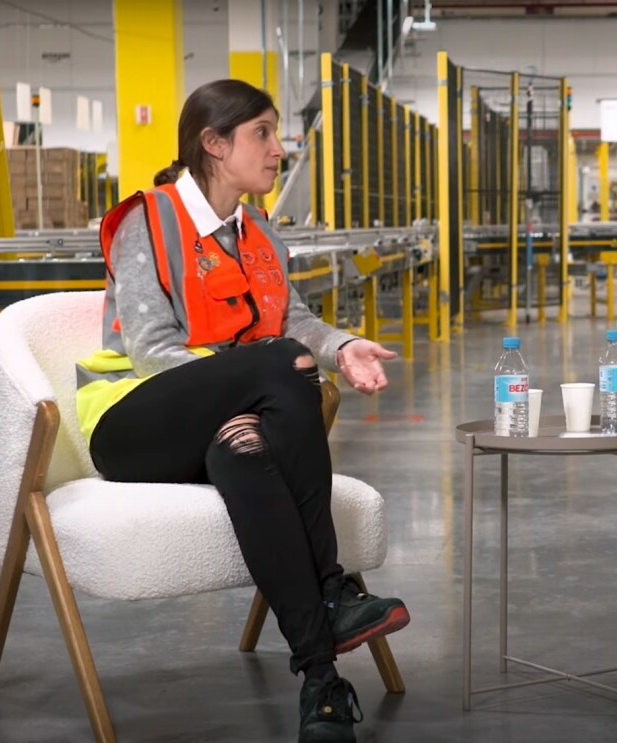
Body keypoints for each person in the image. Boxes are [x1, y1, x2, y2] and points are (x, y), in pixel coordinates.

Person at [75, 79, 409, 743]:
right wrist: (246, 387)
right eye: (263, 132)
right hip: (135, 423)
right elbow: (149, 349)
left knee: (250, 446)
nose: (279, 149)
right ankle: (333, 589)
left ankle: (321, 679)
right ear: (213, 144)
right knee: (279, 365)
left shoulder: (260, 232)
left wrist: (342, 349)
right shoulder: (148, 219)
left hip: (223, 425)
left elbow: (296, 318)